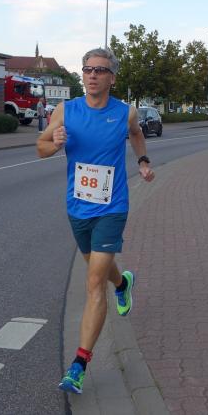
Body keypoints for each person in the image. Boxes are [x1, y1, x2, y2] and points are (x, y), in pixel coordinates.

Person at [37, 47, 155, 395]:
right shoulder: (66, 110)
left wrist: (143, 161)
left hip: (112, 206)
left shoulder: (125, 112)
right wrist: (54, 143)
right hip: (77, 207)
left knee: (92, 283)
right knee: (100, 271)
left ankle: (79, 364)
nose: (92, 75)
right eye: (87, 69)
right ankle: (123, 283)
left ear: (111, 78)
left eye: (100, 70)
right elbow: (40, 147)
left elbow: (136, 134)